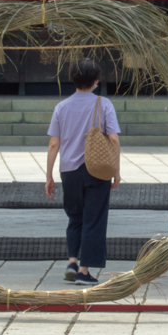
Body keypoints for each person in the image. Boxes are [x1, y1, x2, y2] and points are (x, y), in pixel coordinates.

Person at [45, 59, 121, 286]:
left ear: (73, 79)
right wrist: (117, 170)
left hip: (69, 171)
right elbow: (114, 138)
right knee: (94, 219)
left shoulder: (61, 107)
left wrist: (49, 175)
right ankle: (84, 271)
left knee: (74, 218)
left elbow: (53, 144)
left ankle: (71, 261)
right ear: (96, 81)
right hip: (97, 170)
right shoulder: (103, 103)